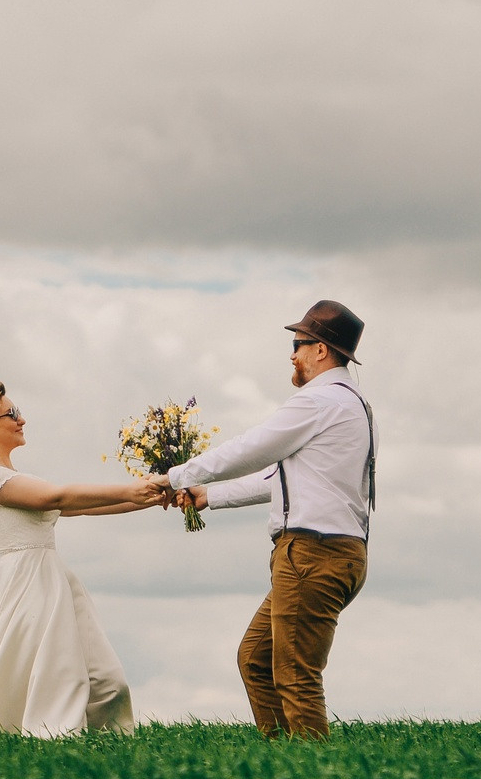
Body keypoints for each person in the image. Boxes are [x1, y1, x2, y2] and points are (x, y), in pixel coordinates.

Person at [148, 301, 376, 740]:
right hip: (335, 552)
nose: (292, 354)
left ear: (322, 352)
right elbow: (284, 478)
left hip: (313, 552)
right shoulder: (354, 405)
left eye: (298, 343)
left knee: (295, 675)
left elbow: (252, 448)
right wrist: (208, 496)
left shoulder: (319, 400)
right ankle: (281, 761)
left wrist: (176, 475)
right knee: (256, 657)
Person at [0, 382, 163, 738]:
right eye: (11, 414)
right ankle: (54, 740)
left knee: (107, 680)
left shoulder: (15, 477)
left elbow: (80, 507)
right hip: (27, 585)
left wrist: (152, 496)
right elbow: (57, 496)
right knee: (58, 675)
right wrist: (133, 488)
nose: (21, 419)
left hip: (53, 580)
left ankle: (106, 743)